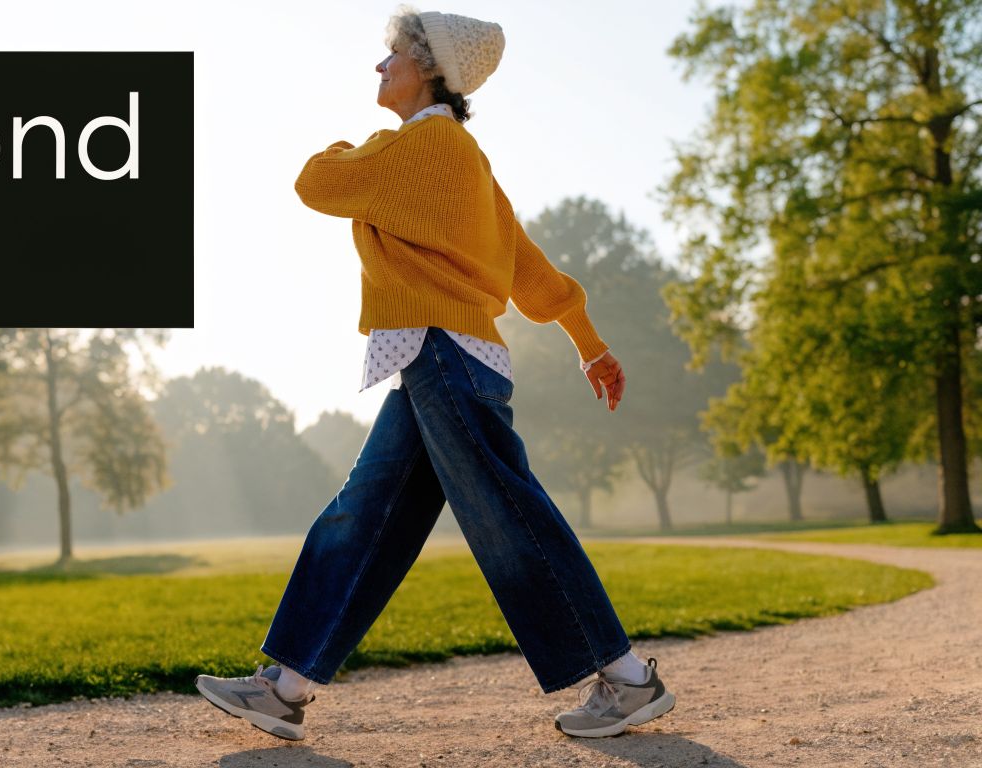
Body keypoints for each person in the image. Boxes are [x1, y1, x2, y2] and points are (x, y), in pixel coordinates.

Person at [195, 5, 675, 741]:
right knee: (365, 515)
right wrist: (589, 343)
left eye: (391, 55)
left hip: (444, 355)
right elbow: (527, 266)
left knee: (506, 516)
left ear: (427, 68)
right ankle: (283, 688)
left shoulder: (420, 146)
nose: (379, 66)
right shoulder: (463, 157)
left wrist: (353, 144)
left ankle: (629, 678)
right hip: (439, 358)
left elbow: (316, 181)